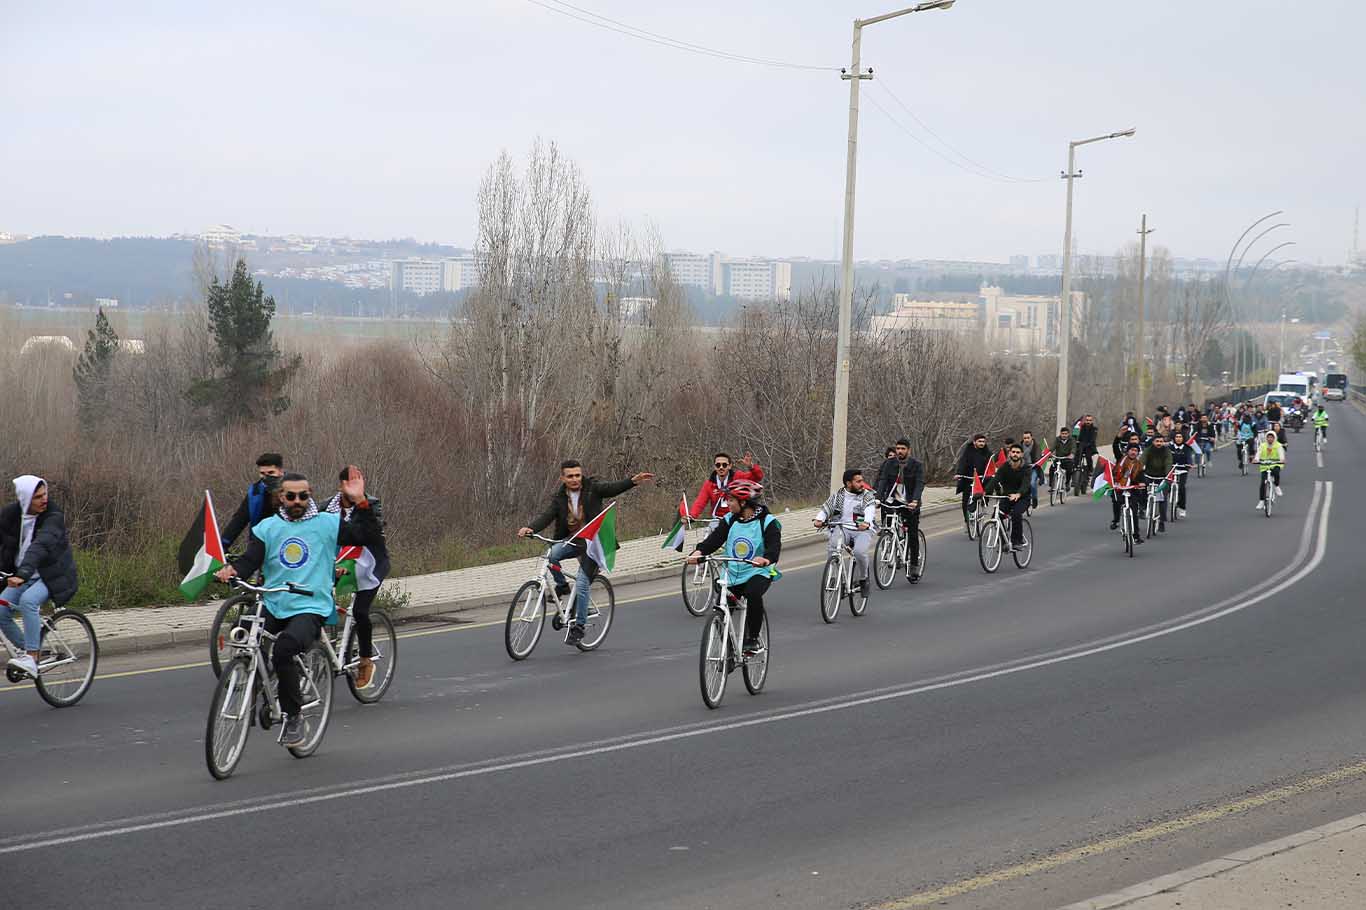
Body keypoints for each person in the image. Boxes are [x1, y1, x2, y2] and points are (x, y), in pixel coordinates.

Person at [214, 469, 382, 747]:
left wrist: (360, 500)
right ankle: (259, 683)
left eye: (303, 496)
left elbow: (368, 535)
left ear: (310, 496)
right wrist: (232, 571)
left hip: (311, 605)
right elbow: (250, 560)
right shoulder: (268, 528)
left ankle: (294, 718)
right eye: (290, 496)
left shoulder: (327, 523)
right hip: (275, 603)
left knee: (284, 649)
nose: (297, 500)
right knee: (242, 631)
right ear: (281, 498)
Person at [518, 461, 655, 644]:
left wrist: (633, 481)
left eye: (577, 475)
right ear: (563, 478)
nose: (574, 479)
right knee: (551, 555)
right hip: (574, 541)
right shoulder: (559, 498)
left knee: (582, 583)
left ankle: (579, 627)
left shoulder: (593, 489)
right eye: (570, 476)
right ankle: (562, 586)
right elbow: (547, 516)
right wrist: (530, 528)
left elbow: (613, 488)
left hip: (594, 545)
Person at [687, 480, 780, 656]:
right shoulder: (729, 520)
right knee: (721, 607)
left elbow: (774, 547)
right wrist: (698, 553)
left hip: (758, 571)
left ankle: (752, 639)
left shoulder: (768, 522)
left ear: (743, 502)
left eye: (730, 500)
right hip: (733, 573)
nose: (727, 504)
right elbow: (714, 540)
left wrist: (766, 559)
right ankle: (728, 651)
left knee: (753, 594)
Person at [0, 476, 79, 678]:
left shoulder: (53, 515)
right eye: (37, 497)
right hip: (22, 575)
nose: (44, 499)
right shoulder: (10, 515)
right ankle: (28, 650)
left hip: (51, 574)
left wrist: (23, 573)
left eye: (45, 494)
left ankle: (32, 658)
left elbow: (40, 546)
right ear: (25, 499)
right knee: (1, 610)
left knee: (28, 601)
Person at [324, 467, 390, 689]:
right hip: (337, 563)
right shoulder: (326, 507)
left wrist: (360, 500)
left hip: (369, 563)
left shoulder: (370, 504)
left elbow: (371, 531)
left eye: (358, 481)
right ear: (341, 485)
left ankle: (365, 660)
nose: (354, 485)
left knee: (360, 611)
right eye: (350, 482)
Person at [815, 469, 875, 594]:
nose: (862, 484)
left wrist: (867, 522)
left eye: (861, 481)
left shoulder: (866, 495)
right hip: (843, 528)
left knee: (859, 552)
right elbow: (826, 508)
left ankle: (863, 579)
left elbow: (870, 509)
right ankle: (833, 577)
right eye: (858, 482)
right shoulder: (838, 496)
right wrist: (819, 519)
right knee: (833, 547)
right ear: (848, 483)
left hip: (862, 530)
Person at [874, 438, 925, 581]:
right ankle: (892, 543)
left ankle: (914, 565)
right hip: (892, 500)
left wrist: (915, 500)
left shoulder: (917, 465)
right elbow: (883, 481)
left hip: (909, 502)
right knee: (889, 525)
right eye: (898, 448)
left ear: (908, 450)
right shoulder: (889, 464)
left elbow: (919, 484)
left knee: (913, 533)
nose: (900, 451)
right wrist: (878, 498)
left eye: (903, 449)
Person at [222, 453, 286, 550]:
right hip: (260, 543)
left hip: (286, 542)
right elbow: (239, 519)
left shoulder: (293, 489)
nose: (266, 477)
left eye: (271, 473)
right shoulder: (255, 492)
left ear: (281, 471)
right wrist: (223, 544)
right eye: (262, 474)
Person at [689, 452, 764, 525]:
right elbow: (700, 502)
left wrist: (751, 466)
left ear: (730, 466)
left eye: (724, 465)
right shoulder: (709, 484)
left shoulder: (737, 477)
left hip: (736, 519)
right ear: (714, 467)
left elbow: (758, 477)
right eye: (718, 465)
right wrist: (691, 516)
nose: (721, 467)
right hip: (717, 521)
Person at [984, 444, 1031, 552]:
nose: (1015, 454)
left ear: (1021, 454)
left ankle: (1017, 541)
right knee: (996, 516)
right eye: (1013, 452)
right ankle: (1004, 542)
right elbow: (995, 479)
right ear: (1009, 453)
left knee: (1016, 514)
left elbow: (1026, 484)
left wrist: (1018, 494)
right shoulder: (1005, 467)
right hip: (1007, 497)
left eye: (1018, 452)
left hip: (1023, 497)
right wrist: (985, 492)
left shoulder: (1026, 468)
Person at [1110, 444, 1147, 543]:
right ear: (1127, 451)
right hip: (1119, 488)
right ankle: (1116, 520)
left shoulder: (1139, 465)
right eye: (1131, 450)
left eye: (1136, 450)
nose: (1133, 452)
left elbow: (1142, 476)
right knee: (1116, 502)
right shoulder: (1121, 460)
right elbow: (1115, 447)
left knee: (1134, 512)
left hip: (1132, 490)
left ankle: (1136, 536)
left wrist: (1142, 483)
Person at [953, 434, 991, 525]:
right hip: (968, 478)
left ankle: (983, 508)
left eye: (983, 442)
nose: (982, 444)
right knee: (966, 500)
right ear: (974, 442)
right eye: (979, 441)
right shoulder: (968, 451)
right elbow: (962, 462)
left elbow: (990, 463)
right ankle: (967, 520)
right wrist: (959, 474)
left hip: (982, 479)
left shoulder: (987, 452)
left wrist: (991, 474)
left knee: (985, 493)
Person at [1141, 434, 1173, 533]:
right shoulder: (1148, 450)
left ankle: (1162, 521)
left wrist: (1167, 476)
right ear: (1153, 442)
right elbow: (1142, 461)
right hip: (1149, 476)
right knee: (1141, 491)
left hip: (1162, 478)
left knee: (1162, 499)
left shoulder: (1167, 451)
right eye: (1157, 441)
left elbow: (1168, 463)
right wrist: (1139, 469)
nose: (1159, 443)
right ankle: (1142, 508)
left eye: (1161, 441)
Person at [1253, 430, 1285, 509]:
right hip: (1265, 465)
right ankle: (1261, 501)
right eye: (1268, 437)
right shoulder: (1262, 445)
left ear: (1274, 438)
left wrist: (1281, 460)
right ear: (1266, 438)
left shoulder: (1278, 445)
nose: (1270, 439)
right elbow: (1258, 453)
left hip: (1275, 464)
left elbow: (1281, 455)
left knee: (1276, 472)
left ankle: (1277, 486)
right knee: (1263, 483)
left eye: (1271, 437)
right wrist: (1256, 459)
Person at [1075, 415, 1100, 496]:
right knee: (1076, 456)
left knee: (1089, 457)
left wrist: (1089, 443)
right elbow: (1076, 435)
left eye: (1090, 420)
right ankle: (1076, 469)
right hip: (1081, 446)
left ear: (1092, 421)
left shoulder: (1094, 429)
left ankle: (1090, 470)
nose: (1088, 422)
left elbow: (1093, 438)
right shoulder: (1081, 427)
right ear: (1085, 421)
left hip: (1090, 446)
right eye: (1087, 420)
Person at [1170, 430, 1192, 518]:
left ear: (1183, 438)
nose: (1178, 439)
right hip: (1171, 470)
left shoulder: (1186, 448)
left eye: (1180, 437)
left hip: (1182, 470)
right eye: (1177, 437)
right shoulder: (1170, 447)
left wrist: (1189, 464)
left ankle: (1182, 507)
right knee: (1167, 486)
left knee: (1181, 488)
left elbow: (1189, 458)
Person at [1050, 425, 1077, 496]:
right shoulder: (1057, 439)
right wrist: (1049, 453)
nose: (1064, 435)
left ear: (1068, 434)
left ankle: (1067, 482)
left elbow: (1073, 448)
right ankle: (1051, 485)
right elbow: (1052, 447)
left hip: (1067, 459)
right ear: (1060, 434)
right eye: (1063, 434)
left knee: (1070, 468)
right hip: (1058, 458)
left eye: (1066, 434)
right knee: (1052, 468)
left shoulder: (1071, 440)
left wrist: (1072, 454)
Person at [1019, 431, 1043, 509]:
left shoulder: (1036, 446)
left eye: (1028, 438)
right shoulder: (1020, 446)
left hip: (1033, 468)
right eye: (1025, 438)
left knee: (1032, 483)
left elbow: (1038, 457)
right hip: (1023, 468)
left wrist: (1035, 463)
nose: (1026, 440)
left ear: (1031, 437)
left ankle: (1034, 498)